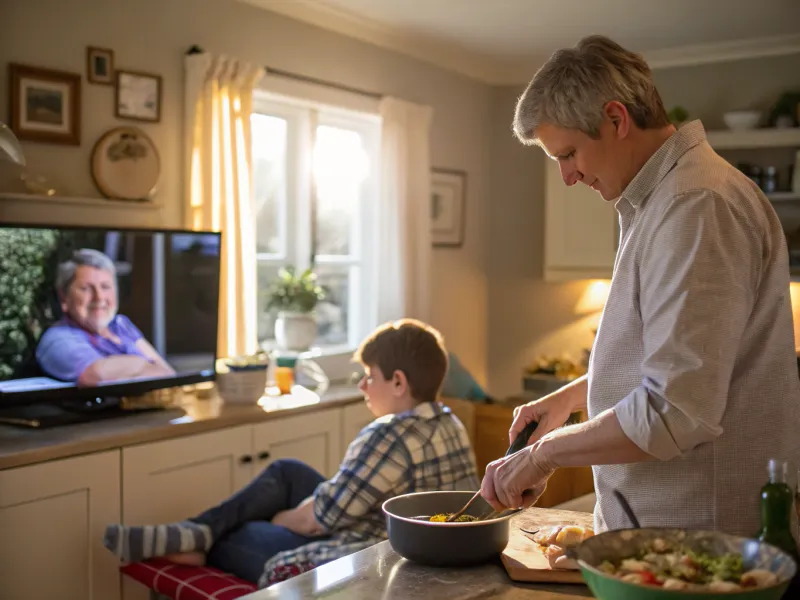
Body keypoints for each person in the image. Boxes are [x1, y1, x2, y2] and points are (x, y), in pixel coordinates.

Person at [480, 35, 800, 540]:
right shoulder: (663, 200)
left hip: (700, 548)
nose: (566, 177)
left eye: (568, 153)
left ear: (615, 119)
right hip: (666, 538)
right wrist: (572, 397)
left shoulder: (696, 207)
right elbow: (681, 363)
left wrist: (544, 456)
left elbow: (675, 411)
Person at [103, 319, 478, 588]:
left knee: (245, 531)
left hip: (367, 555)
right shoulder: (449, 421)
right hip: (398, 535)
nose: (363, 385)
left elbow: (321, 520)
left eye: (370, 375)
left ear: (398, 382)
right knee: (288, 472)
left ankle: (199, 538)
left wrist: (279, 519)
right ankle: (196, 532)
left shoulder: (387, 434)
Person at [36, 248, 176, 386]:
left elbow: (169, 374)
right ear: (64, 297)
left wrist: (138, 368)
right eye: (86, 288)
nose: (99, 297)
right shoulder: (58, 339)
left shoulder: (120, 325)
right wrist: (146, 364)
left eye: (105, 287)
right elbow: (95, 375)